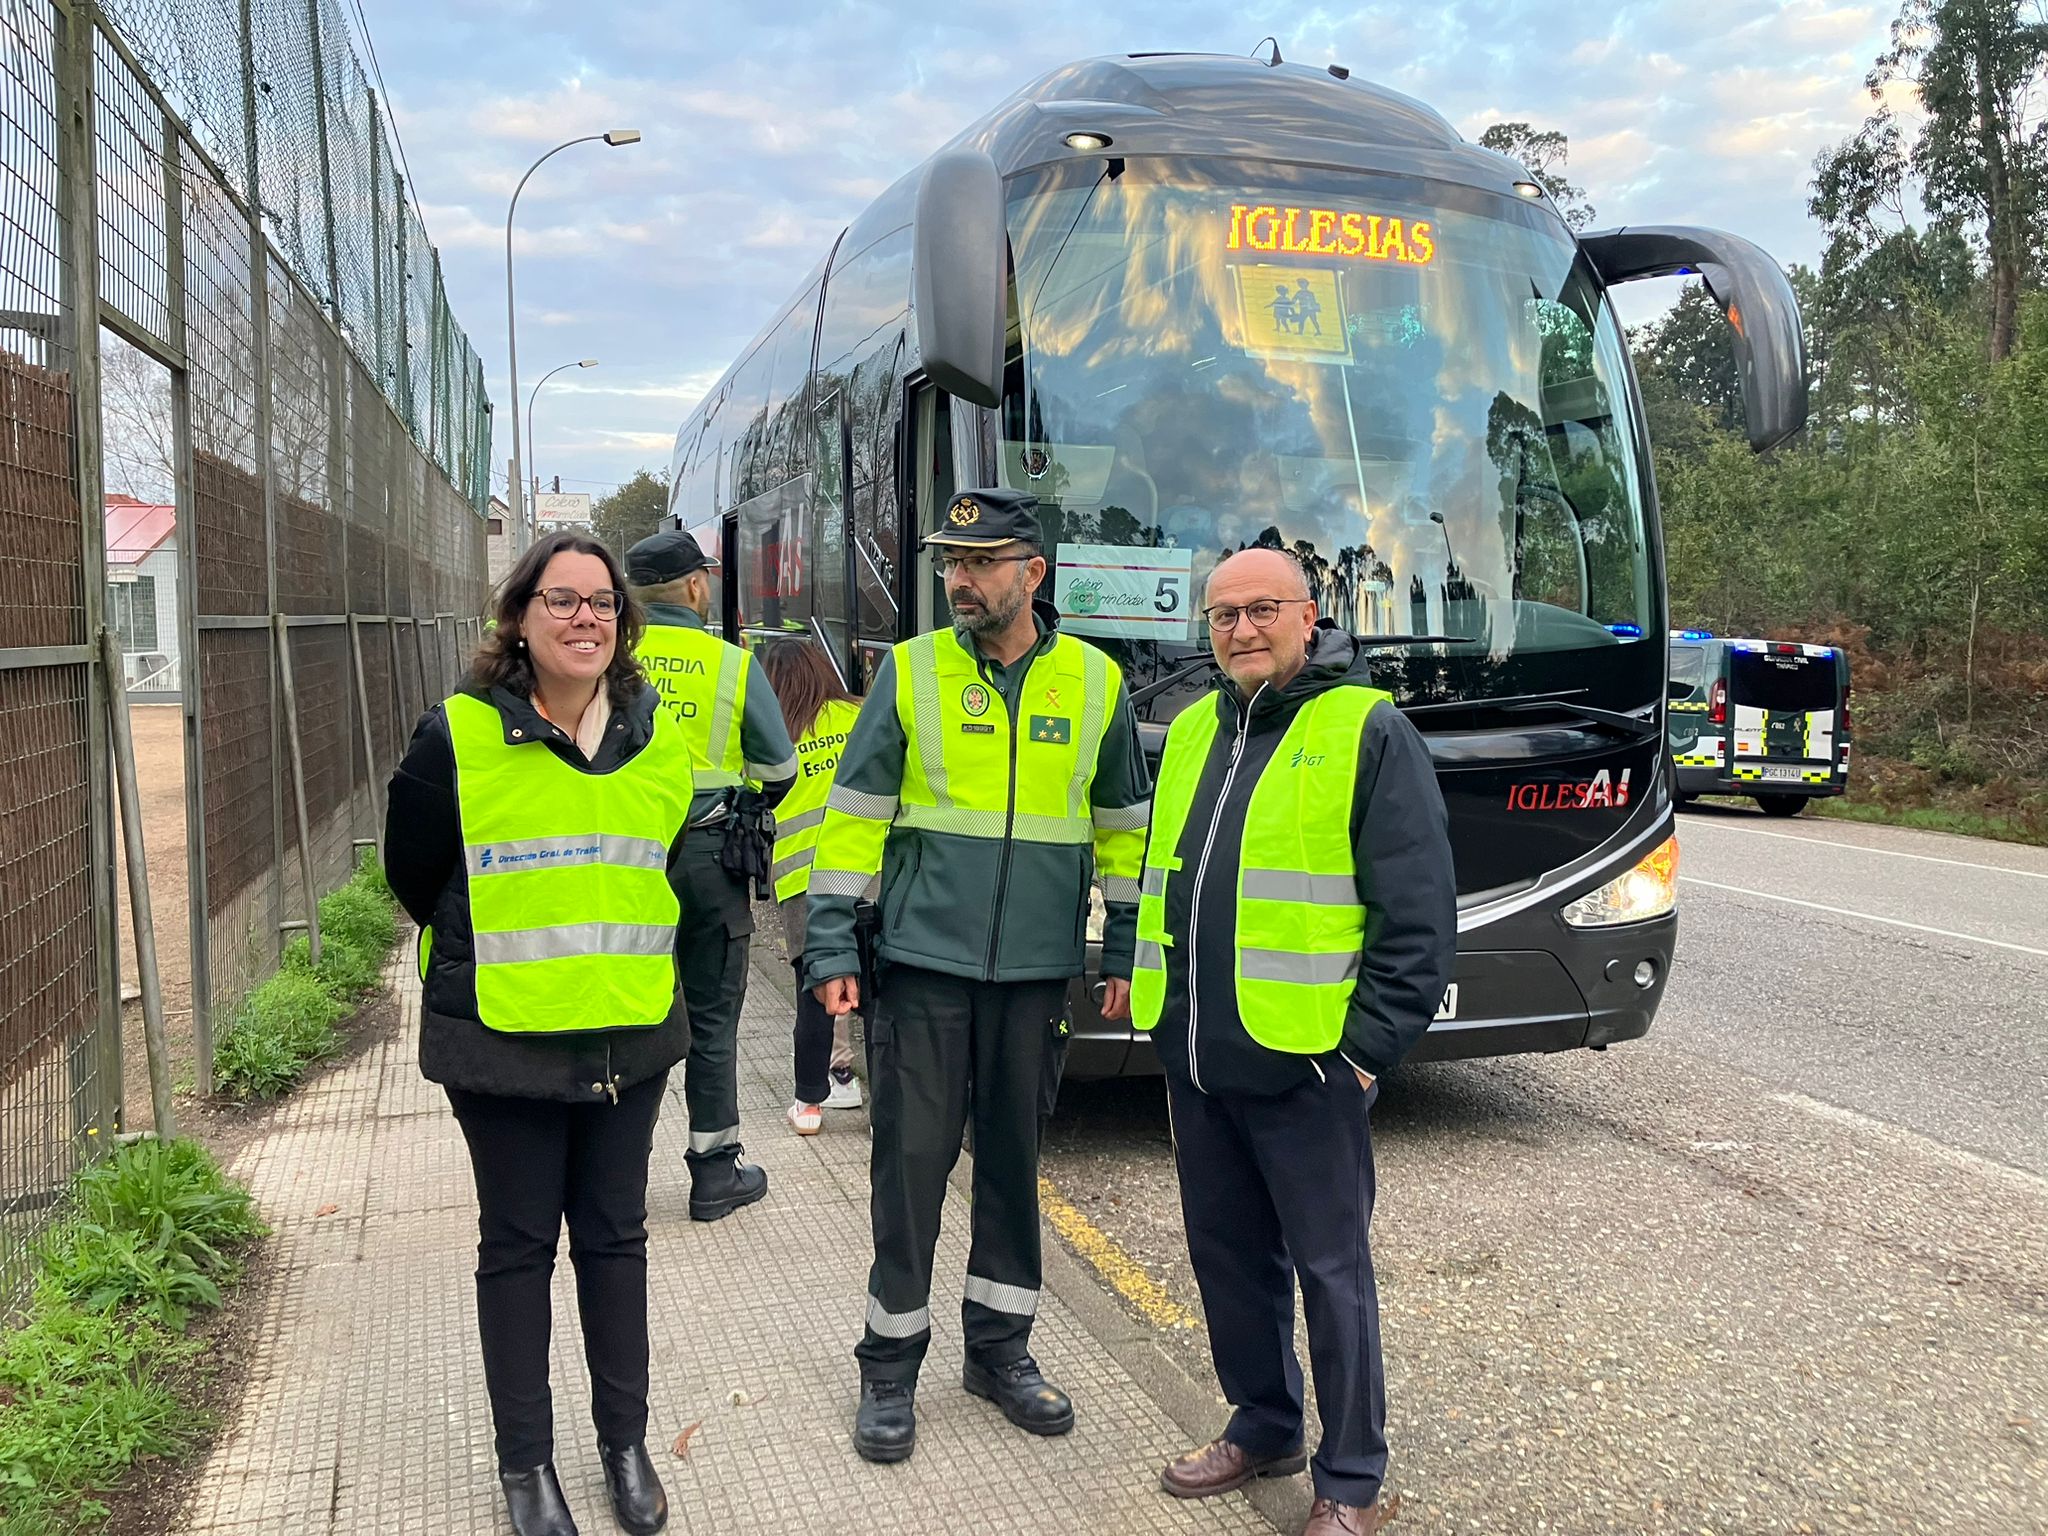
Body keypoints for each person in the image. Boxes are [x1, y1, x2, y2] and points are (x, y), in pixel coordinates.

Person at [804, 488, 1151, 1464]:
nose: (958, 580)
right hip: (921, 970)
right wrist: (830, 947)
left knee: (1010, 1170)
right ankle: (888, 1367)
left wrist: (1118, 954)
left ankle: (999, 1354)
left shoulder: (1094, 683)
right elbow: (852, 820)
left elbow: (1125, 832)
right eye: (951, 564)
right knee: (908, 1173)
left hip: (1036, 976)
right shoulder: (910, 675)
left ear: (1031, 574)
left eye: (980, 563)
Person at [1131, 547, 1456, 1536]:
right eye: (1222, 614)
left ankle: (1349, 1480)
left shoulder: (1364, 729)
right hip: (1198, 1055)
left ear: (1308, 617)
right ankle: (1261, 1423)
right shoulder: (1191, 730)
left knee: (1328, 1271)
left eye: (1261, 609)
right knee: (1227, 1258)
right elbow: (1166, 883)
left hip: (1307, 1064)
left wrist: (1362, 1050)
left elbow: (1416, 913)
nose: (1239, 629)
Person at [384, 531, 687, 1536]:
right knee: (517, 1246)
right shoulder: (459, 736)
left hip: (628, 1039)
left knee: (615, 1241)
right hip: (505, 1044)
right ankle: (526, 1469)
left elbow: (657, 865)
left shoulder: (657, 737)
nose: (583, 618)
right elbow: (415, 876)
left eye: (601, 603)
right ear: (517, 618)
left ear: (622, 623)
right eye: (560, 600)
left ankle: (623, 1445)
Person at [625, 528, 797, 1220]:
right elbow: (780, 768)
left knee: (628, 1013)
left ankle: (616, 1175)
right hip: (706, 855)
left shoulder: (606, 656)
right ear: (695, 587)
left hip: (620, 857)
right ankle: (714, 1172)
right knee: (712, 1013)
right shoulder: (728, 664)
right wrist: (741, 802)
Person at [758, 635, 866, 1134]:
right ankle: (881, 1108)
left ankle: (808, 1105)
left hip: (803, 881)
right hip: (868, 872)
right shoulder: (857, 717)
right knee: (882, 992)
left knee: (815, 992)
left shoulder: (771, 735)